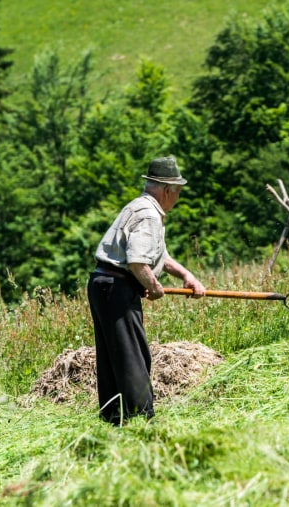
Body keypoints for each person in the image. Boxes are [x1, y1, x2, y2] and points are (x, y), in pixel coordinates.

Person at [87, 155, 206, 425]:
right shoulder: (150, 216)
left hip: (103, 283)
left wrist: (185, 275)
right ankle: (142, 421)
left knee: (114, 355)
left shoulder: (139, 207)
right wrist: (153, 286)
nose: (177, 199)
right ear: (167, 190)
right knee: (132, 356)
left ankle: (114, 419)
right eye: (178, 193)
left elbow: (156, 256)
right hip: (116, 287)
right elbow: (137, 262)